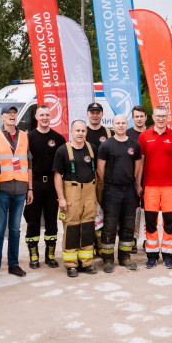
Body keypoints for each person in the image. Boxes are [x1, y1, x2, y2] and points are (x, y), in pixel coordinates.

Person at [0, 104, 33, 281]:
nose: (12, 116)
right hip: (1, 190)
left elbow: (28, 164)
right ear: (2, 117)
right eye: (8, 113)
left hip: (20, 190)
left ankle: (13, 264)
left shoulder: (24, 136)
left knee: (15, 229)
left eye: (14, 113)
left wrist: (30, 188)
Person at [138, 106, 172, 269]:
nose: (161, 119)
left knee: (169, 222)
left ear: (167, 117)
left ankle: (167, 255)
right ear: (153, 117)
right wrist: (138, 184)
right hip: (150, 187)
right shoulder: (144, 136)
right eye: (158, 116)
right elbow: (141, 162)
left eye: (164, 116)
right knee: (150, 222)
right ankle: (151, 255)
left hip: (170, 187)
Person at [53, 120, 99, 277]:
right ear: (71, 132)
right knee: (72, 228)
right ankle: (71, 265)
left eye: (83, 131)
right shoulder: (62, 151)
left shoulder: (92, 148)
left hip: (89, 193)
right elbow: (57, 176)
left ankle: (86, 262)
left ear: (86, 132)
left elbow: (96, 175)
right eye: (77, 130)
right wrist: (61, 198)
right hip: (71, 192)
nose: (80, 133)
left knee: (87, 227)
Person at [98, 114, 142, 272]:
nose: (121, 126)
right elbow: (100, 169)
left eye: (123, 123)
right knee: (109, 225)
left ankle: (125, 257)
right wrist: (110, 183)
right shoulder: (106, 145)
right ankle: (108, 260)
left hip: (129, 189)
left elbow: (137, 167)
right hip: (112, 190)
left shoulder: (134, 145)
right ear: (113, 125)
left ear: (126, 124)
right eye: (118, 123)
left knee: (128, 225)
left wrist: (132, 182)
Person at [25, 104, 66, 269]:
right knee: (32, 221)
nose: (44, 118)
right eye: (41, 115)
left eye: (47, 115)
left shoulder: (58, 138)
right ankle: (33, 255)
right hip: (33, 184)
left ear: (51, 116)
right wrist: (28, 188)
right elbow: (24, 164)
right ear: (36, 117)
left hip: (52, 184)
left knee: (51, 221)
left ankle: (50, 255)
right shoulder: (28, 137)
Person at [85, 102, 112, 256]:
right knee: (89, 213)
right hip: (87, 180)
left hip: (104, 180)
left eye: (97, 112)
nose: (95, 115)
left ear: (102, 114)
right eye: (92, 112)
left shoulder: (108, 133)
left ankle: (101, 244)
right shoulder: (83, 131)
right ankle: (90, 243)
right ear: (88, 114)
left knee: (104, 212)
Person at [127, 105, 148, 253]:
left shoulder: (152, 132)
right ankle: (132, 239)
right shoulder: (127, 134)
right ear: (132, 118)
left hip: (150, 178)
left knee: (149, 211)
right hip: (131, 179)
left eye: (142, 116)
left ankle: (148, 239)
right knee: (132, 211)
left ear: (146, 117)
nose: (139, 119)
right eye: (136, 116)